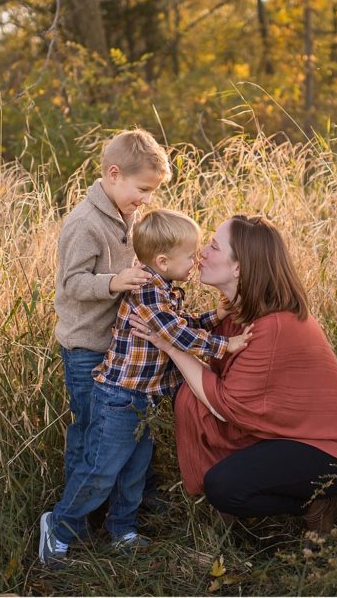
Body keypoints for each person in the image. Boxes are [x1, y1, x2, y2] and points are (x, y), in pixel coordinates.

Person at [129, 215, 337, 534]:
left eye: (213, 246)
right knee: (189, 396)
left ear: (239, 267)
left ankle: (316, 504)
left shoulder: (275, 325)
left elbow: (225, 404)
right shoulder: (242, 311)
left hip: (330, 452)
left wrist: (169, 345)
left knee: (225, 488)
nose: (201, 253)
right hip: (287, 434)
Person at [40, 210, 253, 566]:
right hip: (120, 398)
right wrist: (223, 345)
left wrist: (215, 318)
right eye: (190, 255)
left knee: (135, 469)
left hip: (145, 398)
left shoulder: (165, 289)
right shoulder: (147, 291)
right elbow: (175, 333)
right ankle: (59, 526)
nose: (196, 260)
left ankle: (122, 528)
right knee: (102, 469)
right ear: (163, 260)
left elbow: (180, 324)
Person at [51, 129, 168, 526]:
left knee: (118, 434)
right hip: (87, 349)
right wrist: (116, 281)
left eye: (151, 192)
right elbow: (71, 283)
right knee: (89, 433)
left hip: (119, 349)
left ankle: (121, 510)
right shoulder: (84, 223)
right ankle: (73, 519)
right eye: (143, 189)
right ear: (114, 174)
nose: (146, 200)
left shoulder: (126, 213)